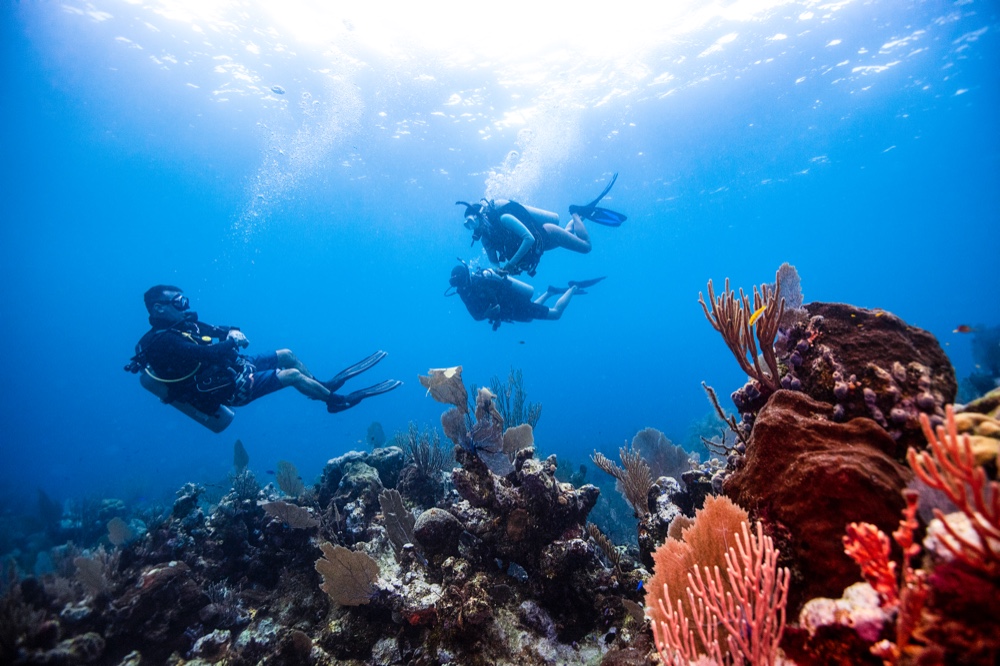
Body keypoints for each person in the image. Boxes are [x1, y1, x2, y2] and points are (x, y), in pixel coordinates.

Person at [125, 285, 401, 418]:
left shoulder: (185, 324)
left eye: (184, 300)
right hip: (227, 388)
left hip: (235, 367)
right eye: (177, 302)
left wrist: (233, 332)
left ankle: (321, 385)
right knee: (291, 375)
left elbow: (223, 328)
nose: (184, 306)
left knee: (286, 353)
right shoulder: (162, 341)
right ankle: (335, 401)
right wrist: (232, 342)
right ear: (159, 308)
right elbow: (208, 355)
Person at [456, 172, 626, 277]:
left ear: (480, 216)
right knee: (567, 233)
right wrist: (498, 271)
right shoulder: (486, 239)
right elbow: (494, 263)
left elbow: (528, 239)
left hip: (547, 234)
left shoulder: (503, 218)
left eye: (472, 222)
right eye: (468, 225)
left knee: (586, 247)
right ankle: (579, 217)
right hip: (541, 246)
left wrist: (510, 265)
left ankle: (575, 212)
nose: (472, 228)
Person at [446, 264, 604, 330]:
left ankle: (574, 286)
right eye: (456, 283)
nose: (459, 286)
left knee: (555, 314)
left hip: (514, 304)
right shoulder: (464, 291)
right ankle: (550, 292)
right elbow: (475, 315)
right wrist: (489, 315)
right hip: (512, 308)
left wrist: (491, 314)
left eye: (459, 282)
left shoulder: (477, 284)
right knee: (529, 318)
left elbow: (494, 303)